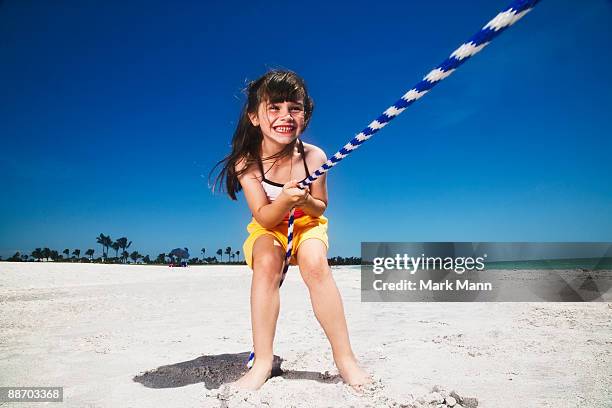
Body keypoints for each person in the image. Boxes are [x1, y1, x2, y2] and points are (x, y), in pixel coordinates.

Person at [212, 70, 370, 390]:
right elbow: (265, 217)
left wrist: (305, 200)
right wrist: (284, 199)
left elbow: (320, 207)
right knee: (267, 263)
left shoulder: (314, 157)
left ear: (305, 115)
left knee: (314, 263)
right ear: (255, 117)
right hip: (269, 227)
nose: (285, 115)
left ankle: (345, 359)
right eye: (274, 107)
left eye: (294, 108)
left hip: (307, 225)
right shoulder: (248, 162)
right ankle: (264, 362)